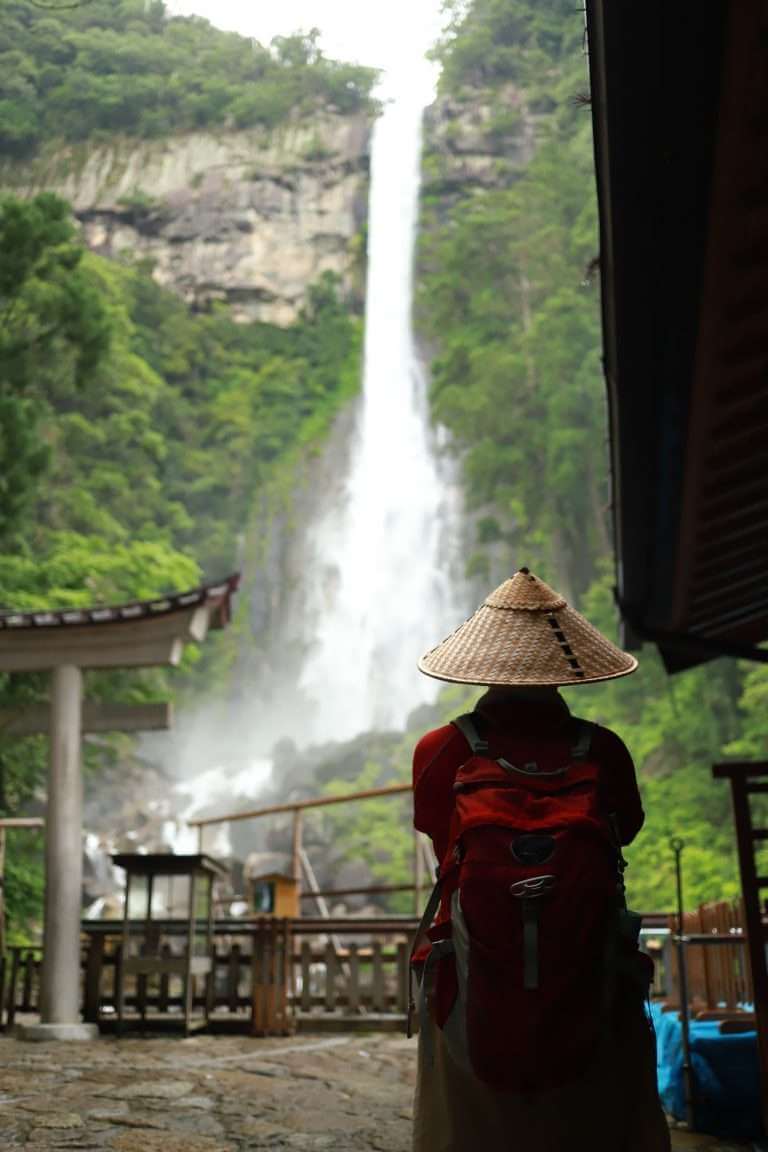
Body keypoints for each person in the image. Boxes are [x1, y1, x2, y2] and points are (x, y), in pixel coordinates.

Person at [410, 567, 670, 1152]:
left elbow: (436, 835)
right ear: (565, 671)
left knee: (474, 1128)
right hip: (589, 976)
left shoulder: (439, 751)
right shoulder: (603, 751)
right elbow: (624, 831)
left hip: (470, 984)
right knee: (590, 1122)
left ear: (482, 666)